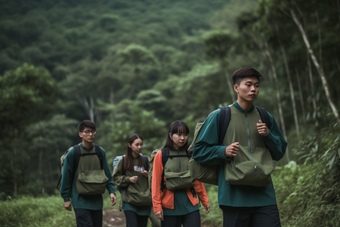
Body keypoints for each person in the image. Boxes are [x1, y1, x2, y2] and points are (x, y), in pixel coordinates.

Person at [193, 67, 288, 227]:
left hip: (264, 196)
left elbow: (279, 152)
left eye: (257, 85)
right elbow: (199, 151)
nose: (253, 89)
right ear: (236, 88)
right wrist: (223, 151)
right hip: (234, 197)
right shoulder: (220, 116)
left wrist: (268, 135)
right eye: (249, 84)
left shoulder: (265, 117)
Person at [152, 120, 210, 227]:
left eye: (185, 134)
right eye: (178, 134)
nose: (182, 138)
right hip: (169, 208)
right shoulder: (161, 155)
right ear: (170, 135)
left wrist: (204, 200)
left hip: (190, 205)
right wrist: (157, 207)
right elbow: (156, 183)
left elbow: (197, 180)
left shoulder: (190, 154)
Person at [60, 120, 116, 227]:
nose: (91, 134)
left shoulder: (100, 151)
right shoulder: (74, 152)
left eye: (93, 131)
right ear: (80, 134)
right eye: (87, 131)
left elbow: (107, 174)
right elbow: (66, 177)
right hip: (80, 201)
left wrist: (111, 191)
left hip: (97, 202)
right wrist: (66, 198)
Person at [113, 134, 154, 227]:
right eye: (137, 144)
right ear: (129, 145)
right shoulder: (123, 161)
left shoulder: (146, 160)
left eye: (141, 144)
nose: (139, 147)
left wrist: (148, 175)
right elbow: (116, 178)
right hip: (129, 201)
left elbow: (155, 178)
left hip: (144, 200)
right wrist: (128, 179)